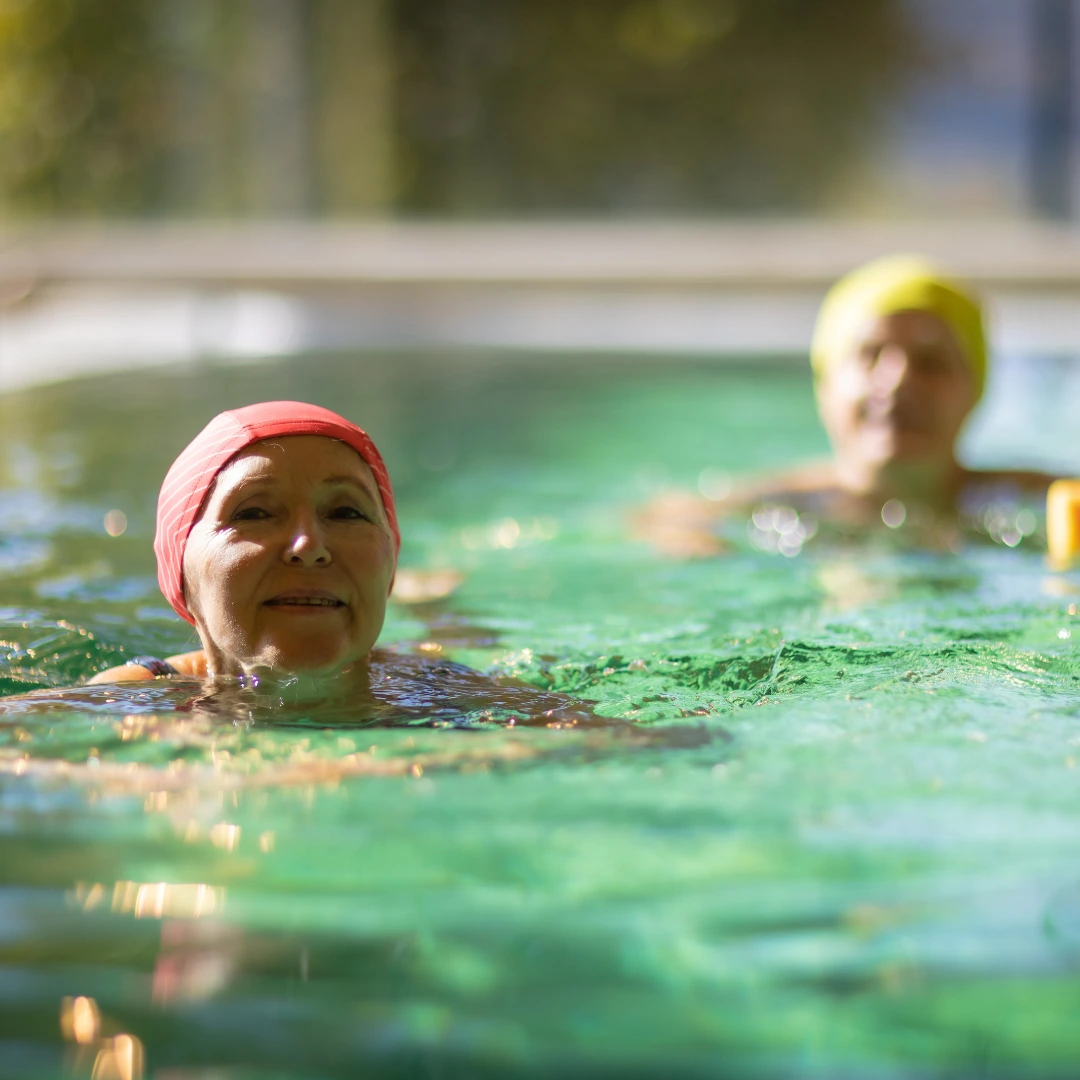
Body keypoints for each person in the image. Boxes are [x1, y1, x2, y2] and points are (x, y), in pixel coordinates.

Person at [636, 255, 1056, 556]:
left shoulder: (1037, 501)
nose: (898, 380)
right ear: (826, 387)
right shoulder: (769, 507)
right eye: (870, 354)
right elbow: (652, 518)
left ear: (975, 391)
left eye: (932, 362)